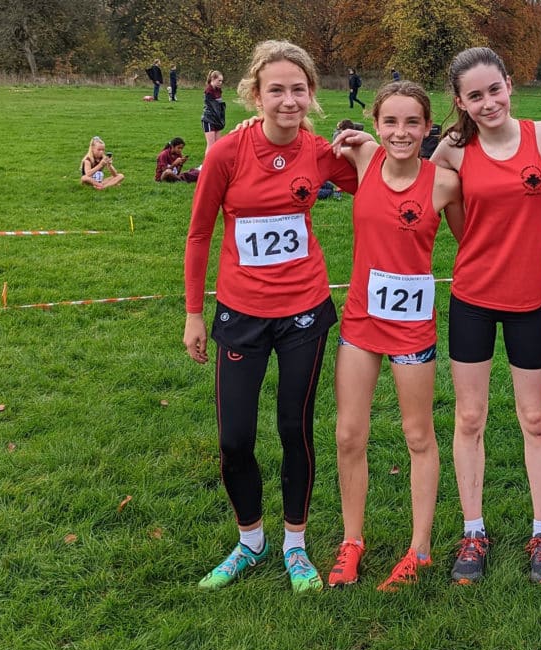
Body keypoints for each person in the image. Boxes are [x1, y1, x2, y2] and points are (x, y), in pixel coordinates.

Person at [183, 39, 360, 593]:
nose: (288, 100)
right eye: (276, 89)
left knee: (294, 428)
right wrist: (194, 313)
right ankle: (249, 540)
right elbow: (199, 235)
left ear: (312, 94)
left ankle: (295, 543)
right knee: (234, 437)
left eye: (298, 89)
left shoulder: (318, 151)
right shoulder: (226, 154)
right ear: (255, 95)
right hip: (241, 312)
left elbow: (381, 185)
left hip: (304, 309)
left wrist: (369, 148)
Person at [430, 47, 541, 585]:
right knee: (469, 418)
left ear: (509, 85)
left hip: (530, 302)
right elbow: (457, 222)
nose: (487, 102)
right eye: (475, 96)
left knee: (535, 419)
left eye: (495, 90)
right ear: (460, 102)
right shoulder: (453, 151)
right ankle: (474, 531)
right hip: (471, 298)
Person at [326, 80, 464, 592]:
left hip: (412, 328)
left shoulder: (445, 182)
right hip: (360, 322)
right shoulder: (363, 159)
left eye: (412, 123)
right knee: (348, 434)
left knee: (417, 435)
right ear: (375, 125)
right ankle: (352, 541)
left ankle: (419, 548)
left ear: (428, 128)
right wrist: (254, 123)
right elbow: (300, 149)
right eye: (391, 122)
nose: (401, 132)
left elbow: (476, 239)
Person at [201, 70, 226, 156]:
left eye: (221, 81)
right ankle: (207, 166)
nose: (220, 82)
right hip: (209, 119)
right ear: (213, 79)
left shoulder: (219, 90)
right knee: (211, 145)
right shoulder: (209, 90)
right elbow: (213, 107)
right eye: (219, 80)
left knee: (217, 145)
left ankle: (216, 165)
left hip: (217, 119)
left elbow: (219, 106)